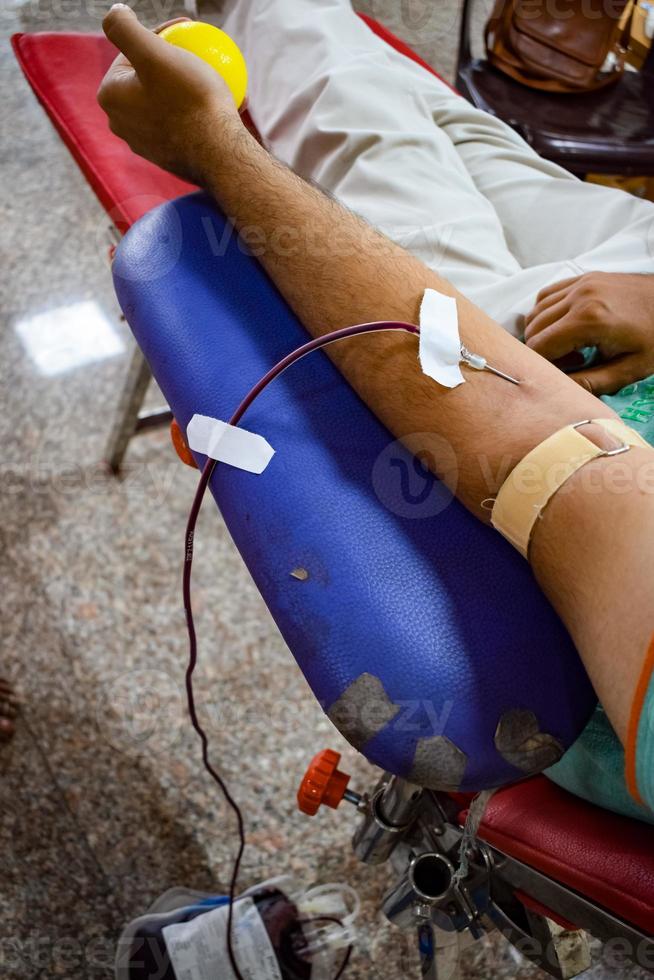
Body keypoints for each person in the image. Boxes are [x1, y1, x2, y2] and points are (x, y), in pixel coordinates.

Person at [97, 0, 654, 820]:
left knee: (365, 127)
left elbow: (525, 451)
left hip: (559, 393)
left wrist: (212, 147)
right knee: (454, 130)